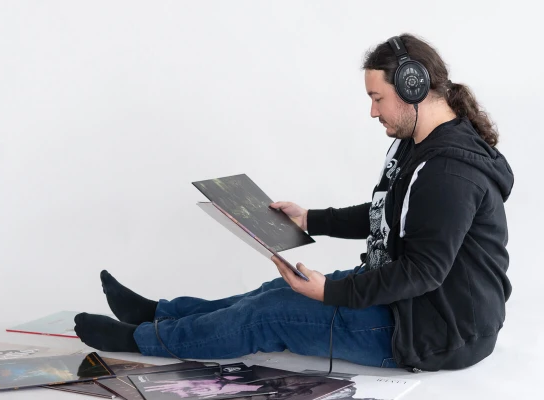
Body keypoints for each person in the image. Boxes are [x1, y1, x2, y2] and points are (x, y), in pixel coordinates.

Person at [73, 33, 513, 372]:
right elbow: (390, 217)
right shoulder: (416, 144)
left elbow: (423, 271)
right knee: (276, 289)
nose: (373, 112)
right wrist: (311, 219)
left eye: (377, 98)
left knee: (269, 314)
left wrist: (331, 292)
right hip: (409, 302)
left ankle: (138, 341)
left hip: (435, 333)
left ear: (413, 88)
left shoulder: (449, 173)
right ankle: (157, 316)